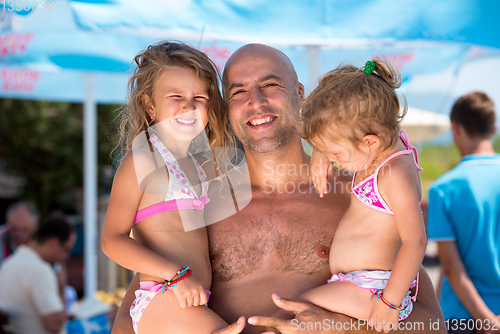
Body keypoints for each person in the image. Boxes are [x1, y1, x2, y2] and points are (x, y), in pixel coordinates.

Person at [112, 44, 445, 334]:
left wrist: (345, 329)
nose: (256, 101)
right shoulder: (197, 201)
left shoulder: (357, 197)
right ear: (225, 111)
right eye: (238, 92)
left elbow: (429, 321)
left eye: (270, 84)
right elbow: (134, 320)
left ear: (300, 93)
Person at [101, 41, 244, 334]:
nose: (189, 106)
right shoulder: (143, 158)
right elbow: (112, 240)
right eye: (176, 96)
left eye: (200, 98)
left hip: (188, 303)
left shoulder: (203, 163)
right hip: (163, 297)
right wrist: (175, 275)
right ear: (149, 104)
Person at [290, 59, 426, 332]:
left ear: (370, 142)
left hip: (376, 290)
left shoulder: (394, 174)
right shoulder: (381, 146)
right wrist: (320, 152)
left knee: (295, 312)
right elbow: (347, 111)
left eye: (335, 154)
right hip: (361, 283)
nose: (333, 161)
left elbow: (416, 240)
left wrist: (389, 304)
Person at [427, 92, 500, 334]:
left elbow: (450, 265)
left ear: (455, 128)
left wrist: (486, 320)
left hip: (461, 318)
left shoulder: (443, 189)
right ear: (494, 128)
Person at [0, 216, 76, 334]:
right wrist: (61, 288)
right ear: (54, 244)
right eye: (67, 249)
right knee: (110, 315)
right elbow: (55, 326)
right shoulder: (39, 270)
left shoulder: (9, 263)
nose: (67, 256)